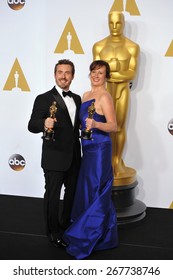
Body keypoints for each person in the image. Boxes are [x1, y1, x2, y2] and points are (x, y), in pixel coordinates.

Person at [63, 60, 118, 259]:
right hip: (87, 148)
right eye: (93, 72)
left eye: (100, 73)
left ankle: (94, 235)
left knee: (97, 188)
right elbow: (82, 123)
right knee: (87, 188)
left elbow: (113, 126)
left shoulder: (105, 97)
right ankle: (88, 229)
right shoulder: (86, 96)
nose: (96, 76)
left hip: (100, 149)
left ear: (106, 76)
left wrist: (95, 123)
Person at [28, 59, 81, 248]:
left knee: (72, 194)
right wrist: (44, 123)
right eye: (60, 72)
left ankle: (66, 225)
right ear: (55, 74)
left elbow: (74, 128)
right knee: (52, 196)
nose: (63, 76)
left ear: (72, 76)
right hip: (54, 157)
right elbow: (31, 125)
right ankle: (53, 232)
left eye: (67, 72)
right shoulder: (43, 98)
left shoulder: (77, 99)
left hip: (74, 156)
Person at [92, 11, 140, 183]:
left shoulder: (132, 47)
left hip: (121, 92)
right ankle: (105, 160)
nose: (114, 27)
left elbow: (132, 73)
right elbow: (96, 73)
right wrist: (118, 72)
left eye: (118, 23)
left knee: (119, 127)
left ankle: (117, 160)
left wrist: (111, 73)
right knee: (101, 127)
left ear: (123, 23)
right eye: (111, 23)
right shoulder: (99, 46)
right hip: (103, 93)